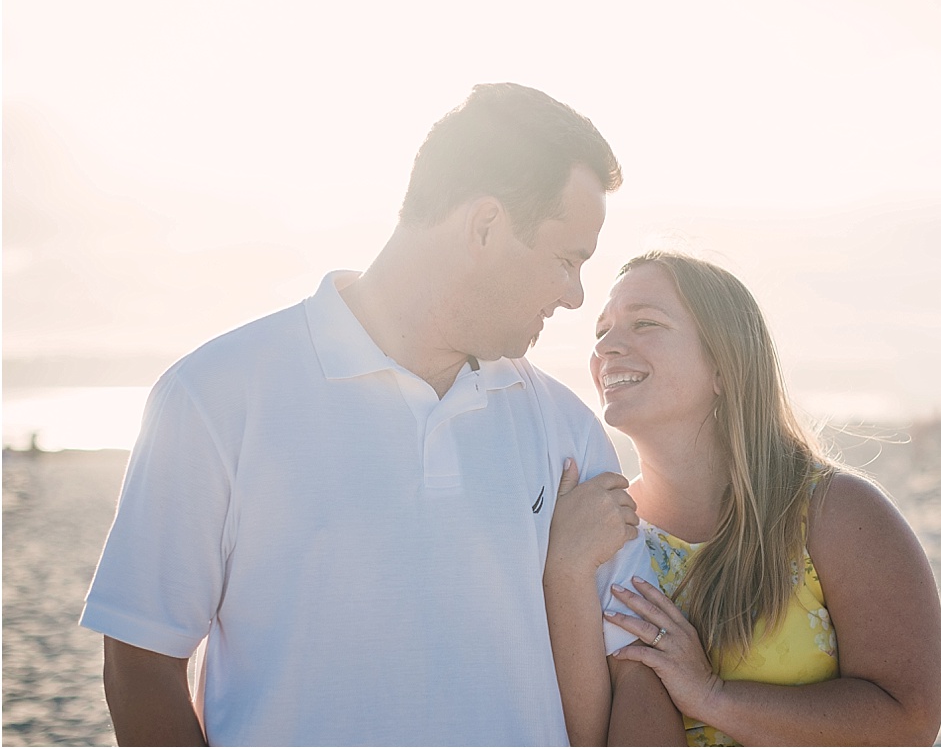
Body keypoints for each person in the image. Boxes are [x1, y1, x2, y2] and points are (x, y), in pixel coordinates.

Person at [80, 83, 683, 746]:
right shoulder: (214, 398)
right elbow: (140, 664)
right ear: (484, 227)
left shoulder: (567, 430)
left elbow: (636, 669)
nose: (574, 296)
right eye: (567, 260)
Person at [551, 250, 941, 746]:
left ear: (724, 364)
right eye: (601, 331)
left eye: (645, 323)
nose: (607, 346)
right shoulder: (609, 538)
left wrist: (712, 696)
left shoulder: (835, 513)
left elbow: (909, 723)